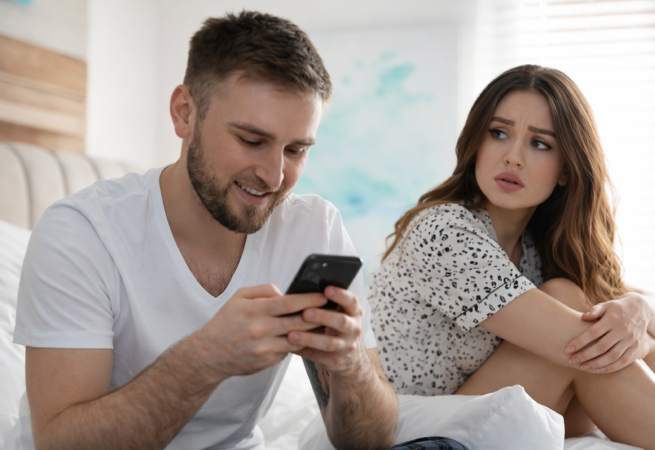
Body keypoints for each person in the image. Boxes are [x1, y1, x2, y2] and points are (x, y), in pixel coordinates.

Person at [13, 12, 400, 450]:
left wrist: (351, 366)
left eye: (296, 149)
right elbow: (59, 443)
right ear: (184, 114)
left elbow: (372, 441)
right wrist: (206, 357)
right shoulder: (82, 233)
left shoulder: (315, 228)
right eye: (251, 141)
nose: (274, 176)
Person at [369, 65, 655, 450]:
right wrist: (636, 333)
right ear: (476, 144)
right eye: (498, 133)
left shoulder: (534, 247)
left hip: (473, 408)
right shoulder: (444, 232)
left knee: (570, 295)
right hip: (415, 428)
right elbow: (591, 345)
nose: (513, 157)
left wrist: (637, 309)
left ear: (566, 169)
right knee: (586, 336)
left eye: (540, 144)